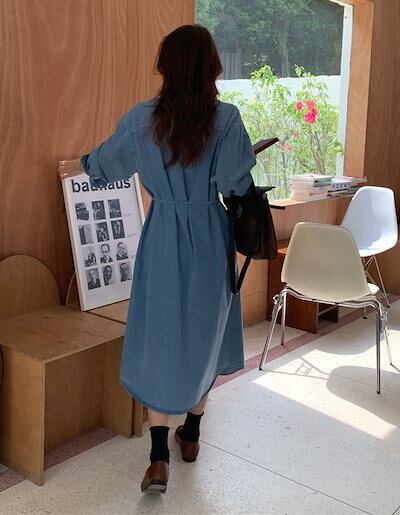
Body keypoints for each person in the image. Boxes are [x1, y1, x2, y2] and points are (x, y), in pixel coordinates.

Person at [58, 24, 256, 494]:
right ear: (212, 67)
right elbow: (237, 184)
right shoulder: (227, 119)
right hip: (210, 237)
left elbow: (100, 166)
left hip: (162, 235)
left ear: (165, 67)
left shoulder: (141, 119)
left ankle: (158, 457)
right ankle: (192, 435)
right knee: (205, 335)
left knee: (159, 336)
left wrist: (80, 162)